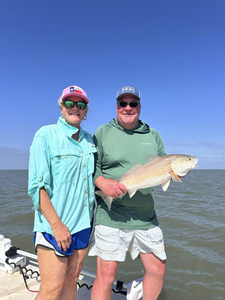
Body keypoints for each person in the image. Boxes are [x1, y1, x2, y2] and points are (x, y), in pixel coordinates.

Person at [89, 85, 167, 300]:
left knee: (158, 269)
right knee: (106, 275)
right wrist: (102, 182)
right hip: (111, 215)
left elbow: (164, 164)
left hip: (146, 216)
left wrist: (178, 171)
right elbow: (92, 168)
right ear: (116, 107)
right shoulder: (103, 132)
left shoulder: (153, 135)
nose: (128, 108)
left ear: (139, 107)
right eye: (123, 103)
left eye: (133, 103)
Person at [28, 85, 96, 300]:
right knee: (52, 288)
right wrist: (57, 225)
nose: (75, 108)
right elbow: (36, 187)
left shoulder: (90, 140)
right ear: (61, 107)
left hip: (83, 224)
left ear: (86, 110)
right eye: (69, 103)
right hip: (54, 226)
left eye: (80, 104)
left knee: (72, 278)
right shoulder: (45, 135)